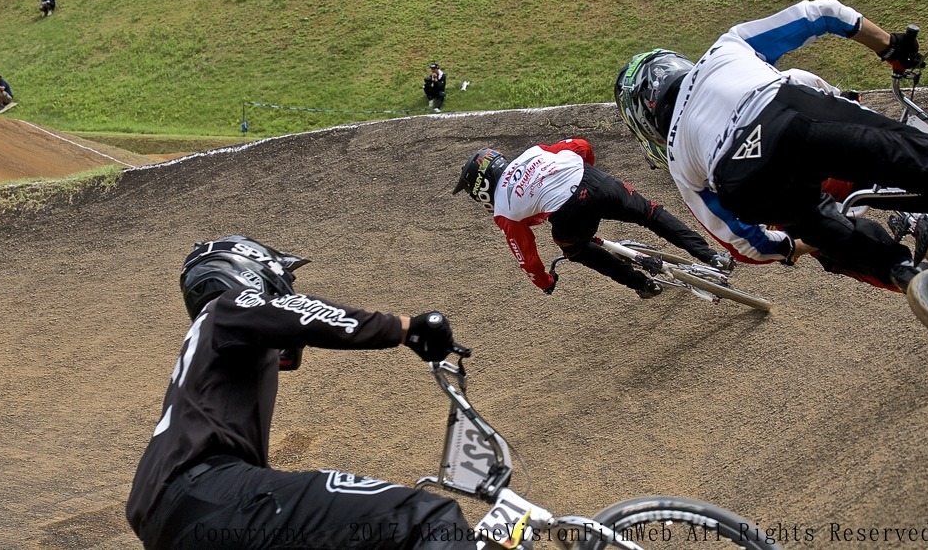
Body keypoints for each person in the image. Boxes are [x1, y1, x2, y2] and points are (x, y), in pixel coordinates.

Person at [125, 235, 469, 550]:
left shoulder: (208, 348)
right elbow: (300, 312)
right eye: (284, 282)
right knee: (423, 516)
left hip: (175, 524)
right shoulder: (226, 307)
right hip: (209, 489)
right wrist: (408, 328)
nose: (287, 290)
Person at [614, 0, 928, 293]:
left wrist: (795, 247)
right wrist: (891, 47)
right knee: (918, 157)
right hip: (795, 118)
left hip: (750, 183)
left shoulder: (678, 162)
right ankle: (917, 213)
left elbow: (742, 244)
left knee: (829, 240)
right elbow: (823, 13)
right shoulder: (725, 51)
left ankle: (907, 275)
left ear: (644, 118)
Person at [453, 141, 732, 297]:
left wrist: (545, 282)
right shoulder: (534, 152)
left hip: (570, 215)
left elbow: (527, 257)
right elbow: (580, 147)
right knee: (651, 213)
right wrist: (590, 176)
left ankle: (642, 284)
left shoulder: (503, 208)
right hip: (596, 182)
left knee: (576, 249)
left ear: (483, 186)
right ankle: (710, 256)